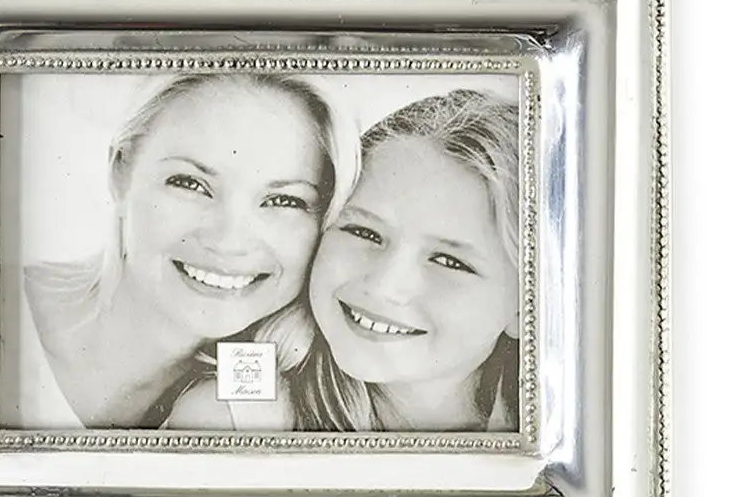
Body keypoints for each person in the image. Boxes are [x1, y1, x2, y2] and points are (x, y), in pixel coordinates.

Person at [20, 71, 359, 429]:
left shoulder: (259, 399)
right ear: (120, 173)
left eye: (284, 200)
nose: (229, 240)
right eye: (190, 183)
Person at [167, 89, 520, 432]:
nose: (383, 286)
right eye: (364, 232)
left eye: (449, 261)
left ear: (525, 308)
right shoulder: (233, 415)